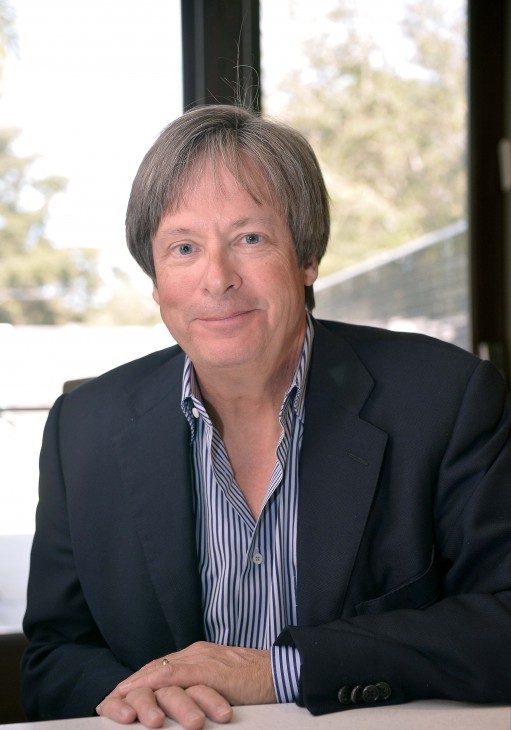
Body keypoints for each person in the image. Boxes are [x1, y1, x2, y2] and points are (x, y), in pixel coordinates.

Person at [22, 104, 511, 729]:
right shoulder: (81, 430)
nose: (217, 279)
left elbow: (503, 619)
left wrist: (275, 672)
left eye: (250, 238)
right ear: (155, 277)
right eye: (183, 247)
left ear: (307, 259)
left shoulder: (446, 398)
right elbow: (53, 658)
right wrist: (146, 699)